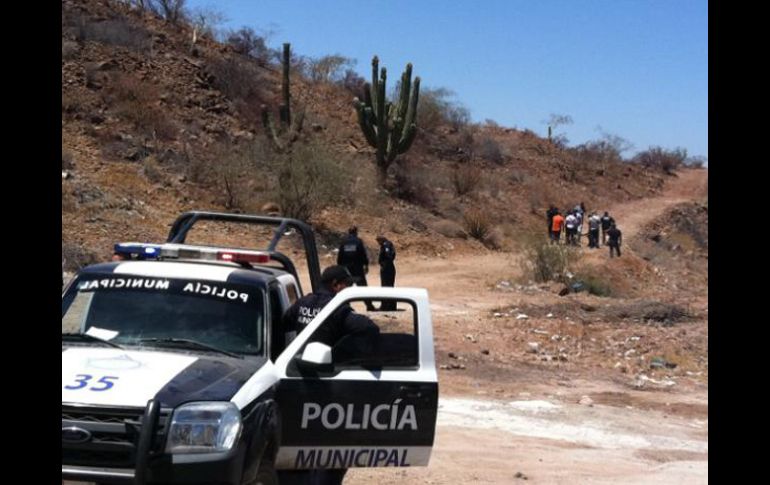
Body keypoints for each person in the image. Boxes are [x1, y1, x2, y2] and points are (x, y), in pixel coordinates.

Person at [281, 265, 380, 485]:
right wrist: (346, 351)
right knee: (331, 447)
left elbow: (284, 322)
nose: (349, 289)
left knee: (299, 442)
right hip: (327, 385)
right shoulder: (338, 309)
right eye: (348, 284)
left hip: (296, 378)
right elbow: (369, 329)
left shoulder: (303, 303)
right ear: (336, 285)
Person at [337, 226, 375, 311]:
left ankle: (345, 306)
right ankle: (369, 305)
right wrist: (366, 264)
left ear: (348, 232)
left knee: (345, 288)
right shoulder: (358, 241)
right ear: (355, 232)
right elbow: (362, 254)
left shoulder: (344, 242)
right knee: (363, 288)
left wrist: (340, 266)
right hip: (357, 269)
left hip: (346, 269)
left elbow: (340, 255)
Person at [376, 235, 397, 311]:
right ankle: (391, 306)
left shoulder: (386, 245)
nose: (378, 243)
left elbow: (389, 256)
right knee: (389, 286)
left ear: (381, 240)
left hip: (387, 269)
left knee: (385, 287)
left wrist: (384, 265)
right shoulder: (388, 244)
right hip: (389, 268)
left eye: (378, 241)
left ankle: (385, 306)